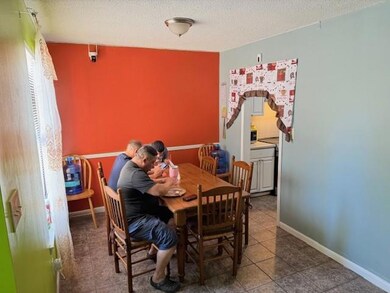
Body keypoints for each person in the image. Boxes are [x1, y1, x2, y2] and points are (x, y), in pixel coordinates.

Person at [117, 145, 180, 292]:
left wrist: (160, 182)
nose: (154, 166)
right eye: (152, 163)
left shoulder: (131, 165)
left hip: (138, 214)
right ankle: (158, 278)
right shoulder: (135, 174)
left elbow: (146, 184)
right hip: (135, 222)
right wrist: (169, 182)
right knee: (171, 237)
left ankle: (154, 252)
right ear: (144, 160)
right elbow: (158, 192)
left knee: (170, 215)